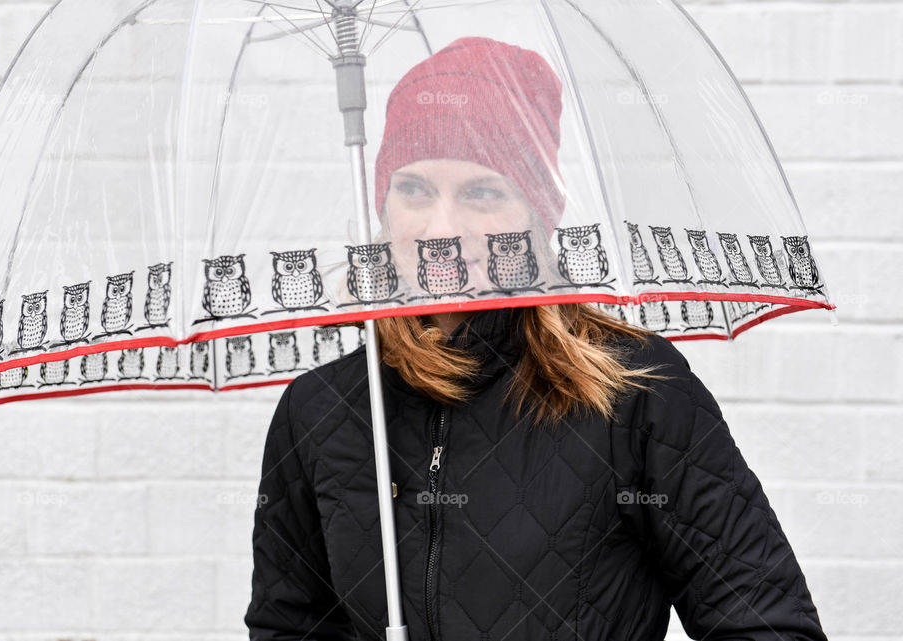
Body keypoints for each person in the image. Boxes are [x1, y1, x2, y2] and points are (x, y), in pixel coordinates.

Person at [245, 37, 829, 641]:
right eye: (414, 189)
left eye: (482, 193)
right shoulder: (321, 411)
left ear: (537, 215)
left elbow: (768, 625)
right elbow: (287, 624)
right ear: (382, 205)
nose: (441, 229)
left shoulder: (633, 392)